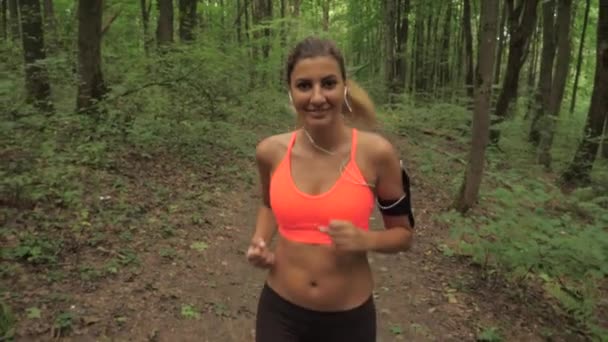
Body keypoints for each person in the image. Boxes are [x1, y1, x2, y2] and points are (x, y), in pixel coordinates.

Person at [246, 36, 414, 342]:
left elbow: (403, 236)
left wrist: (366, 238)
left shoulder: (378, 154)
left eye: (328, 83)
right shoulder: (270, 152)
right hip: (279, 312)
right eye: (304, 86)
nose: (318, 96)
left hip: (348, 320)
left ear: (344, 86)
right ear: (291, 91)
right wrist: (259, 241)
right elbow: (269, 204)